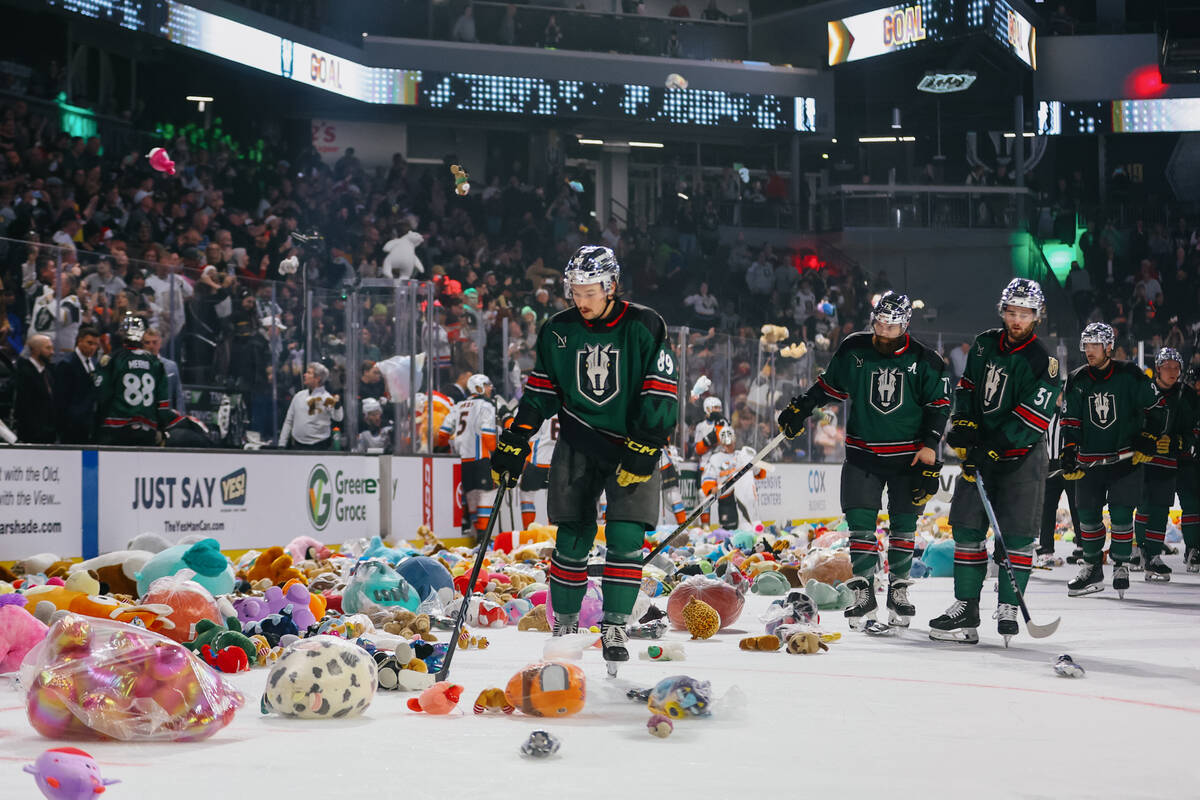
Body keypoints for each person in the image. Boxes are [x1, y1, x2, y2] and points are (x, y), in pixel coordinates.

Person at [489, 245, 678, 671]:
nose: (581, 300)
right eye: (574, 291)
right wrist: (516, 438)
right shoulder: (558, 329)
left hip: (631, 446)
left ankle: (614, 625)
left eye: (590, 291)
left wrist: (646, 446)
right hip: (577, 444)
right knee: (572, 538)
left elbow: (661, 387)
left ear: (611, 286)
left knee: (626, 540)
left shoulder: (644, 324)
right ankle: (565, 628)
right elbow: (541, 391)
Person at [778, 292, 949, 630]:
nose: (885, 331)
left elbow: (939, 405)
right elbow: (829, 386)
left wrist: (930, 446)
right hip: (862, 454)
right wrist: (802, 407)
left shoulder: (925, 359)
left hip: (908, 458)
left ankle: (899, 589)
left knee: (903, 527)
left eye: (893, 325)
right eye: (880, 323)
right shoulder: (854, 348)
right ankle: (863, 590)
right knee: (859, 526)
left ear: (905, 324)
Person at [930, 279, 1059, 645]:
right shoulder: (985, 343)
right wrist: (965, 426)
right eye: (1012, 312)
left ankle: (1007, 606)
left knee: (1017, 537)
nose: (1017, 320)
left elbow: (1034, 416)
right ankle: (966, 607)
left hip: (1022, 458)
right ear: (1002, 311)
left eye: (1025, 313)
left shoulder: (1043, 360)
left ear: (1037, 316)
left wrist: (992, 448)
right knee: (967, 528)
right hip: (982, 455)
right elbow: (968, 386)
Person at [1059, 322, 1158, 598]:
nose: (1089, 351)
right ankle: (1092, 567)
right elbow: (1070, 421)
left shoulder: (1131, 375)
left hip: (1125, 460)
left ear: (1108, 347)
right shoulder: (1077, 379)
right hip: (1090, 462)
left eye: (1095, 345)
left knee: (1122, 514)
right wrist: (1068, 451)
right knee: (1087, 517)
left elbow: (1154, 409)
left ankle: (1121, 565)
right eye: (1086, 345)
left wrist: (1148, 436)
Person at [1132, 348, 1194, 581]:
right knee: (1143, 505)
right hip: (1143, 460)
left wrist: (1176, 441)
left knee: (1160, 508)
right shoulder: (1144, 391)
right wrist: (1143, 439)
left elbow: (1192, 431)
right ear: (1157, 368)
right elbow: (1132, 419)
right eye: (1167, 367)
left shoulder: (1186, 396)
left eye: (1176, 368)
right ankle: (1138, 548)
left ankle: (1154, 556)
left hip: (1167, 462)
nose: (1172, 372)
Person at [94, 315, 171, 446]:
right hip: (148, 427)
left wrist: (98, 422)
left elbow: (103, 395)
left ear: (122, 334)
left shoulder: (112, 359)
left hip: (116, 426)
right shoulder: (155, 362)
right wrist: (161, 427)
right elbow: (162, 402)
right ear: (142, 335)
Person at [437, 373, 498, 535]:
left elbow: (442, 435)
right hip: (481, 459)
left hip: (462, 461)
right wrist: (498, 453)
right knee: (486, 495)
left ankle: (476, 534)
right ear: (478, 388)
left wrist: (448, 446)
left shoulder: (458, 406)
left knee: (471, 496)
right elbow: (489, 437)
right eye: (486, 385)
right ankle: (484, 536)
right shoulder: (486, 406)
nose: (490, 388)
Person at [1037, 381, 1082, 566]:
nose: (1058, 398)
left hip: (1070, 464)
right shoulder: (1046, 413)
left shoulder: (1073, 413)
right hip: (1050, 465)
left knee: (1076, 505)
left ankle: (1083, 546)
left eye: (1061, 394)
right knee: (1047, 508)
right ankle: (1045, 549)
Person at [700, 427, 768, 530]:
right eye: (725, 444)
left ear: (734, 440)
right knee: (730, 531)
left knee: (747, 475)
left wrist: (755, 462)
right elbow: (708, 487)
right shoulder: (714, 459)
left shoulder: (742, 455)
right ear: (721, 443)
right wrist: (718, 489)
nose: (728, 446)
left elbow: (760, 473)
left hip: (743, 496)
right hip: (726, 498)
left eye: (730, 443)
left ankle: (754, 521)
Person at [278, 362, 343, 450]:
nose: (305, 375)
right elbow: (289, 421)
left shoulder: (327, 398)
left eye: (309, 373)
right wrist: (282, 444)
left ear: (318, 378)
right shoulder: (298, 396)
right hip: (297, 446)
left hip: (319, 447)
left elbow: (338, 418)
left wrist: (337, 406)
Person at [53, 325, 101, 444]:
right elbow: (61, 398)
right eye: (89, 343)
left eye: (95, 344)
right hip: (71, 423)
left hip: (90, 421)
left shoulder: (95, 363)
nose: (93, 347)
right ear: (79, 341)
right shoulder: (66, 364)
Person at [14, 332, 57, 443]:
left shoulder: (48, 372)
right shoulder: (24, 373)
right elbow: (24, 406)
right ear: (35, 350)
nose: (52, 352)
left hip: (49, 433)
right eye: (48, 348)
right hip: (31, 435)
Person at [518, 414, 558, 529]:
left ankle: (528, 530)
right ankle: (554, 532)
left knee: (526, 495)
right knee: (555, 499)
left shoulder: (542, 408)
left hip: (537, 461)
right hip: (557, 463)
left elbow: (530, 439)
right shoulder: (565, 408)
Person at [141, 326, 185, 414]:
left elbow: (178, 396)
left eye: (154, 342)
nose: (151, 346)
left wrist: (181, 419)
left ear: (160, 343)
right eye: (147, 343)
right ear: (142, 345)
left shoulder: (171, 366)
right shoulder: (137, 366)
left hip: (166, 416)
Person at [692, 395, 726, 467]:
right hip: (705, 463)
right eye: (716, 408)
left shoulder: (725, 424)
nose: (718, 410)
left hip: (721, 463)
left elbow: (728, 445)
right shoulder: (700, 426)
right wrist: (706, 442)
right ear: (707, 409)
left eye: (719, 408)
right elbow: (697, 450)